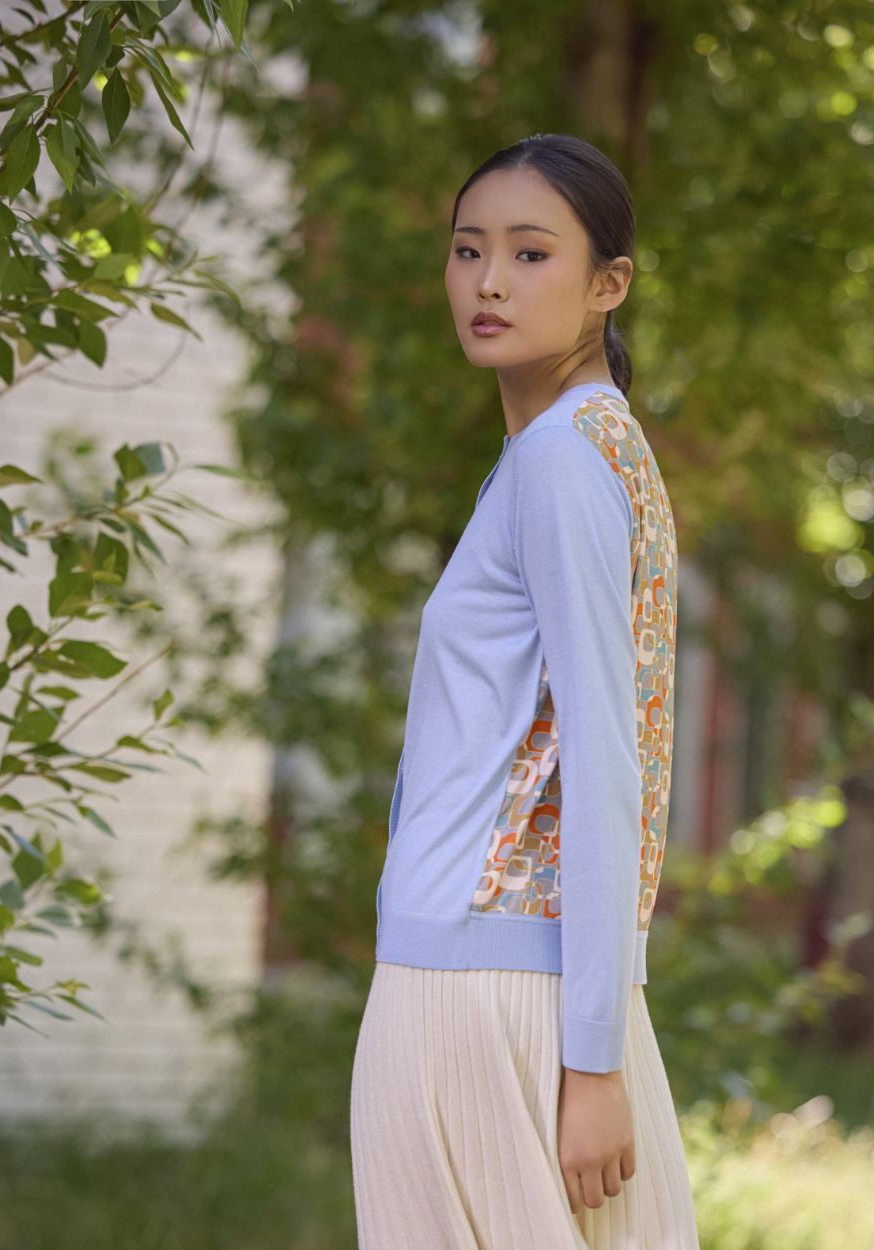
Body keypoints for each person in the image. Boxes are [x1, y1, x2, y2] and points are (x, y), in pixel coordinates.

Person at [350, 132, 700, 1250]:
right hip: (528, 978)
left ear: (609, 284)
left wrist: (591, 1058)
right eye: (469, 250)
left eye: (531, 253)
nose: (490, 281)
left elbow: (607, 754)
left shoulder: (560, 459)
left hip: (485, 982)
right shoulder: (592, 447)